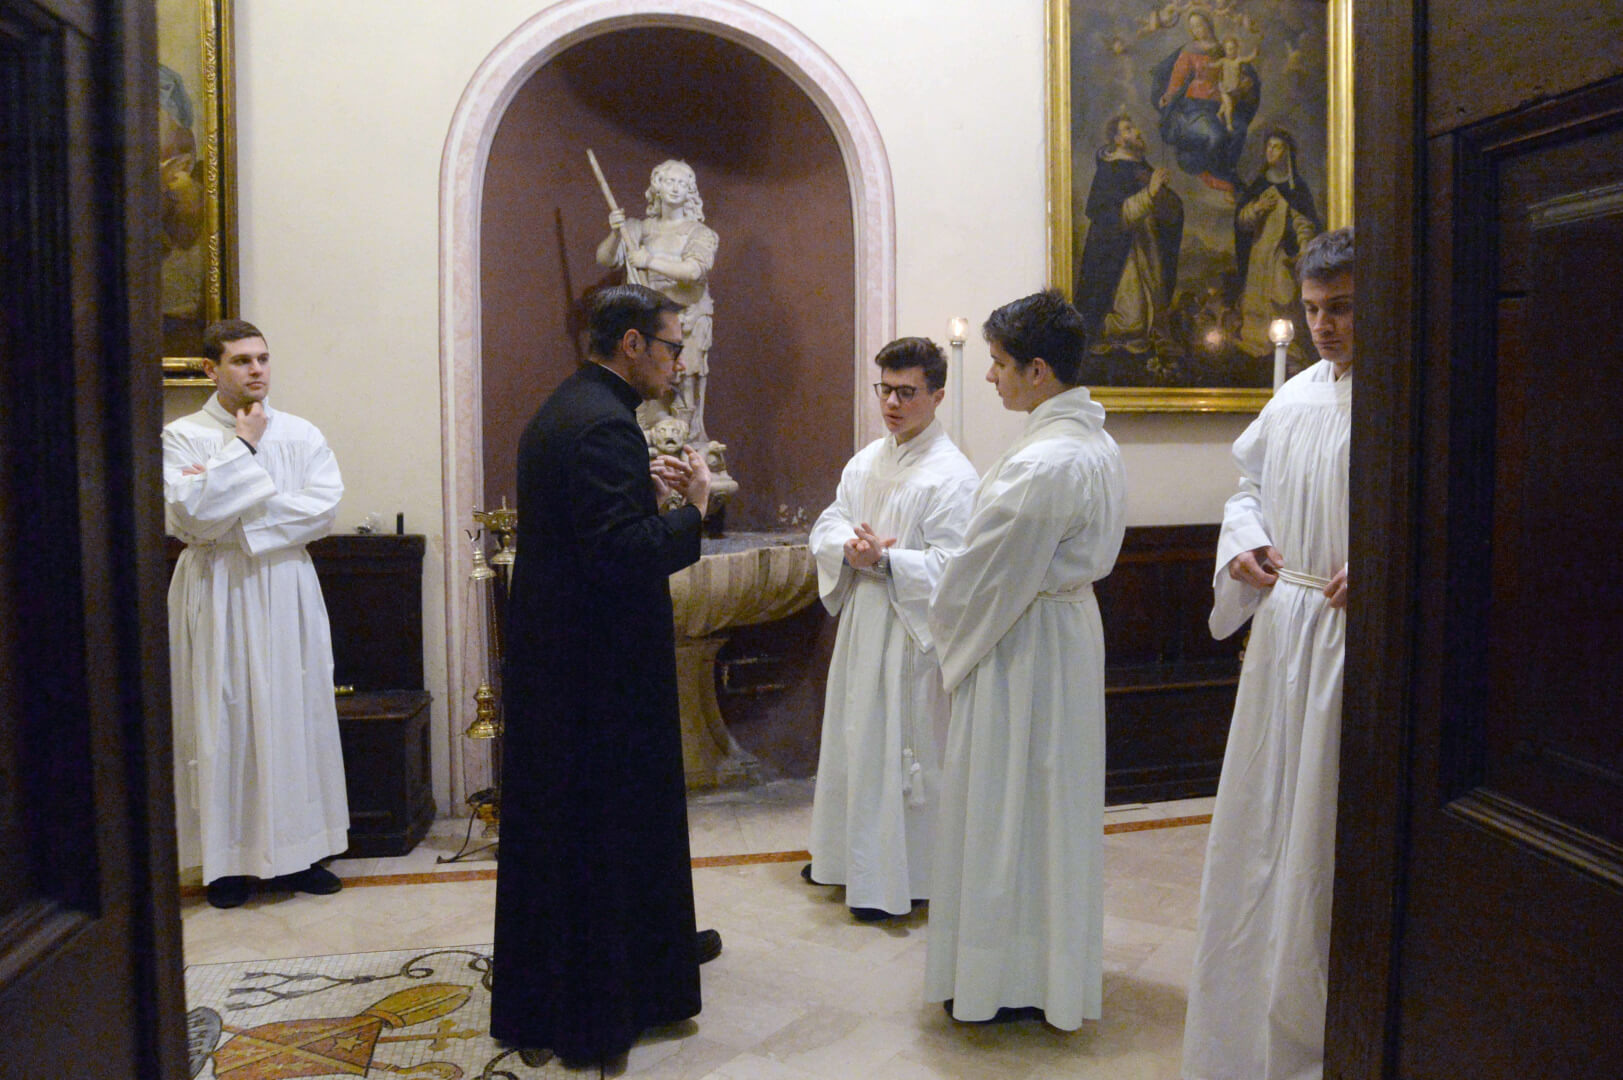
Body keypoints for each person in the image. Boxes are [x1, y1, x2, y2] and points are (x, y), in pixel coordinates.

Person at [490, 284, 721, 1068]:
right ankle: (606, 999)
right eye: (671, 346)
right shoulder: (604, 426)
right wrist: (690, 509)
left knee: (584, 832)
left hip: (567, 659)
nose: (678, 362)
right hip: (597, 676)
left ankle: (650, 955)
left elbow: (587, 532)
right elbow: (621, 556)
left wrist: (641, 497)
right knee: (604, 830)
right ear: (631, 344)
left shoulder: (570, 408)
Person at [925, 291, 1127, 1028]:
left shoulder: (1045, 462)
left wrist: (940, 636)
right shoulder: (1093, 444)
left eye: (999, 363)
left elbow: (980, 579)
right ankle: (1044, 971)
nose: (989, 377)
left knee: (1006, 804)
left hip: (1021, 644)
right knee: (1050, 806)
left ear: (1038, 371)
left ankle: (1000, 978)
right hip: (1061, 633)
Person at [1182, 226, 1353, 1080]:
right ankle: (1247, 1008)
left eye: (1342, 308)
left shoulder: (1404, 392)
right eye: (1314, 308)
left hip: (1349, 635)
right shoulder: (1291, 400)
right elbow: (1246, 487)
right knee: (1262, 822)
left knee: (1322, 828)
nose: (1323, 325)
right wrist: (1243, 542)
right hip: (1286, 624)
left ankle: (1315, 1025)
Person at [163, 318, 349, 910]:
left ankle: (302, 853)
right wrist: (242, 450)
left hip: (285, 585)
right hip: (216, 588)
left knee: (294, 712)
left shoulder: (300, 433)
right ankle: (226, 865)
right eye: (241, 360)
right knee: (221, 717)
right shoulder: (182, 436)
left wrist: (236, 516)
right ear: (211, 369)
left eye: (263, 358)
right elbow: (190, 516)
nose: (256, 370)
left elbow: (321, 509)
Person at [803, 337, 978, 922]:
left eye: (907, 392)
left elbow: (957, 567)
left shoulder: (953, 476)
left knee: (905, 747)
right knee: (855, 738)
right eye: (885, 390)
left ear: (938, 395)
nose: (892, 404)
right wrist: (847, 549)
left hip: (911, 633)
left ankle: (906, 876)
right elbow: (830, 520)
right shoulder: (867, 461)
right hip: (864, 621)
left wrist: (888, 561)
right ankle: (845, 859)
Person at [596, 159, 719, 442]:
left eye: (682, 183)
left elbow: (694, 270)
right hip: (646, 322)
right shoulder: (637, 229)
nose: (675, 188)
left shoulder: (700, 233)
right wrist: (615, 232)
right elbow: (606, 259)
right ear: (657, 187)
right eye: (670, 181)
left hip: (688, 319)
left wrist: (649, 260)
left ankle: (686, 441)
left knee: (685, 383)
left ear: (690, 191)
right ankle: (648, 439)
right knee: (645, 380)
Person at [1075, 115, 1185, 366]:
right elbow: (1112, 217)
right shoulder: (1110, 170)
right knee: (1133, 317)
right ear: (1117, 140)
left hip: (1146, 245)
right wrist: (1150, 193)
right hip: (1120, 252)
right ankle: (1105, 334)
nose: (1136, 131)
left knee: (1152, 308)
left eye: (1134, 127)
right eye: (1128, 129)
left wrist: (1166, 201)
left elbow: (1168, 212)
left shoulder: (1141, 168)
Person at [1234, 128, 1322, 360]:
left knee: (1282, 299)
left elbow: (1305, 223)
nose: (1271, 151)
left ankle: (1286, 350)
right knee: (1255, 303)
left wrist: (1303, 247)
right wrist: (1257, 208)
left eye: (1277, 147)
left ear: (1287, 153)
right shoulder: (1259, 186)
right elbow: (1242, 221)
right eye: (1269, 146)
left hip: (1283, 258)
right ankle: (1257, 345)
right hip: (1259, 255)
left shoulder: (1297, 189)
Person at [1151, 10, 1255, 191]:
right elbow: (1178, 75)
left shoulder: (1223, 49)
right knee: (1216, 136)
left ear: (1209, 24)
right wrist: (1169, 94)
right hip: (1196, 104)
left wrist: (1245, 81)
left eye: (1200, 24)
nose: (1197, 29)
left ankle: (1227, 171)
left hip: (1221, 102)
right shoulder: (1190, 50)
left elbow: (1235, 70)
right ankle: (1211, 174)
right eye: (1193, 27)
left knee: (1239, 130)